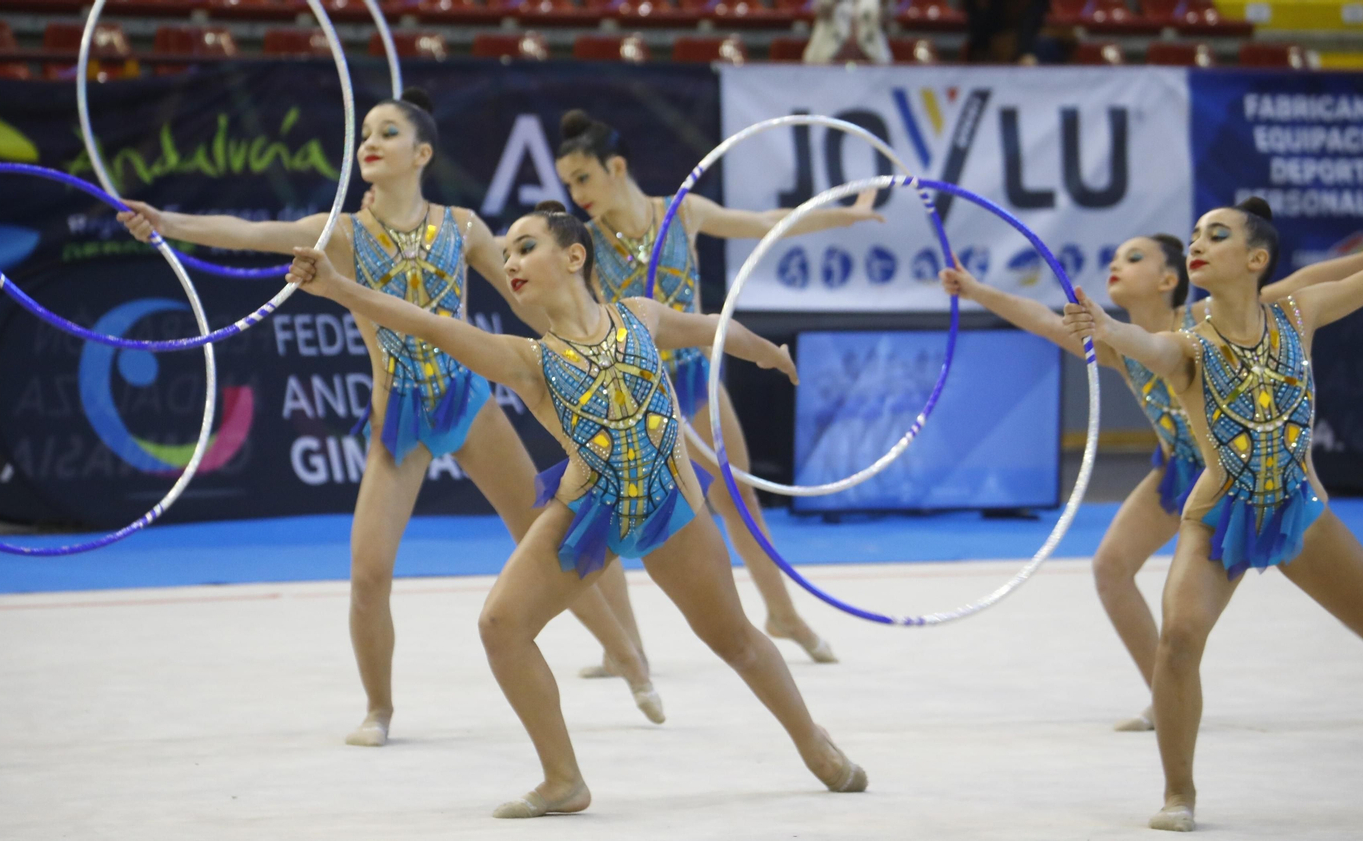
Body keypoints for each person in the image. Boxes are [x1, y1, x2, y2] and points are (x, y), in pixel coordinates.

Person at [285, 200, 869, 817]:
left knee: (735, 640)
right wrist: (339, 288)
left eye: (525, 247)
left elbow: (708, 327)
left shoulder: (638, 318)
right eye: (505, 252)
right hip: (589, 512)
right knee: (501, 625)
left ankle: (815, 746)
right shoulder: (527, 360)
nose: (509, 261)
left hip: (670, 506)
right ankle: (563, 778)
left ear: (573, 255)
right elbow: (430, 326)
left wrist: (764, 352)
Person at [116, 89, 659, 747]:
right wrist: (164, 222)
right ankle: (379, 707)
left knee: (551, 545)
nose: (368, 142)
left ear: (421, 153)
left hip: (468, 403)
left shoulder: (461, 227)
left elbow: (530, 304)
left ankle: (627, 655)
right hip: (396, 419)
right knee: (369, 572)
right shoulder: (340, 233)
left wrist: (603, 336)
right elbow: (248, 234)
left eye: (387, 132)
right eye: (364, 132)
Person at [1062, 164, 1363, 832]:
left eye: (1217, 235)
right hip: (1217, 517)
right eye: (1195, 235)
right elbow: (1142, 343)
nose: (1198, 243)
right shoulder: (1189, 345)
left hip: (1296, 508)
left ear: (1255, 258)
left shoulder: (1298, 311)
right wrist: (1107, 329)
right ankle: (1179, 794)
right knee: (1178, 637)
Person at [942, 234, 1363, 730]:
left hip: (1260, 471)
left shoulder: (1212, 320)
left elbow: (1316, 277)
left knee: (1340, 587)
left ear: (1169, 278)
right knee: (1111, 566)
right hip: (1184, 477)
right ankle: (1165, 693)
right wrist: (976, 290)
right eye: (1116, 258)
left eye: (1134, 257)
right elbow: (1040, 319)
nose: (1116, 266)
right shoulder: (1120, 341)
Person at [550, 109, 885, 676]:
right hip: (629, 397)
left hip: (693, 380)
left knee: (739, 499)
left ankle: (782, 615)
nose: (576, 193)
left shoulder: (682, 215)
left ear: (617, 167)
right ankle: (623, 647)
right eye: (569, 183)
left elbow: (764, 223)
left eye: (583, 177)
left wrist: (843, 218)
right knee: (603, 512)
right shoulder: (580, 244)